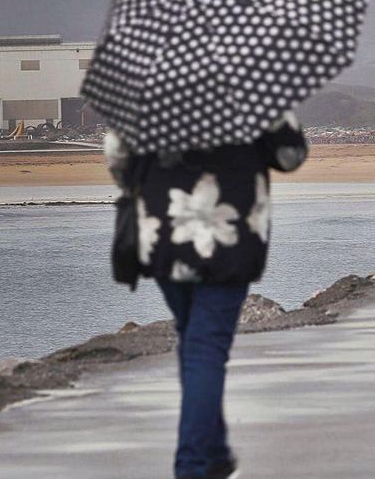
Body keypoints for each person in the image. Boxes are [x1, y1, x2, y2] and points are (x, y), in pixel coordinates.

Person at [106, 112, 308, 479]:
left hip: (164, 230)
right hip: (229, 234)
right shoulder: (255, 84)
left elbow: (118, 156)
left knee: (194, 338)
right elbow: (289, 156)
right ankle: (195, 465)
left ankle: (213, 454)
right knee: (205, 346)